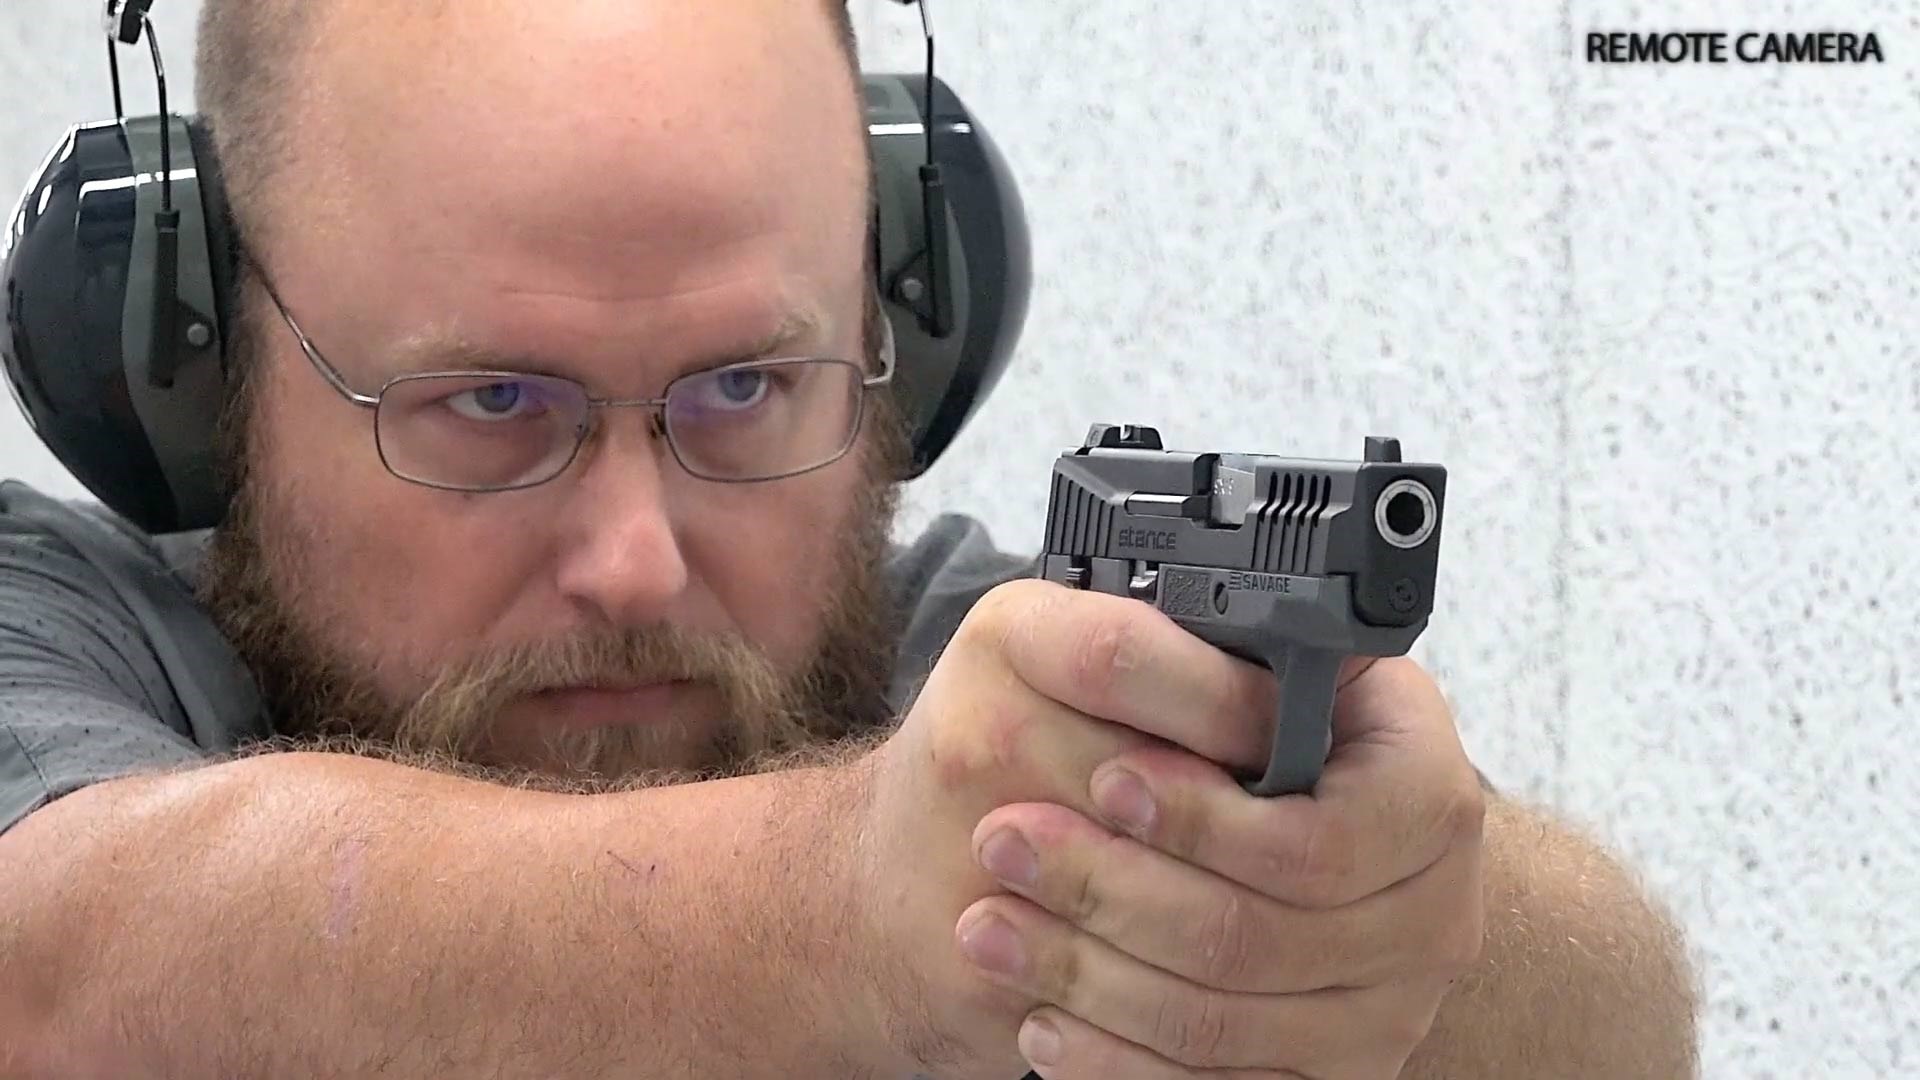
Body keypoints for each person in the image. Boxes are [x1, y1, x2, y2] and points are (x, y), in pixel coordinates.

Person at [0, 1, 1699, 1076]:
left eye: (745, 387)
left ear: (905, 348)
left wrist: (1391, 911)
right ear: (192, 378)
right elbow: (67, 961)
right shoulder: (53, 635)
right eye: (495, 407)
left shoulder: (960, 674)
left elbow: (1618, 1021)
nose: (638, 561)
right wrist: (859, 908)